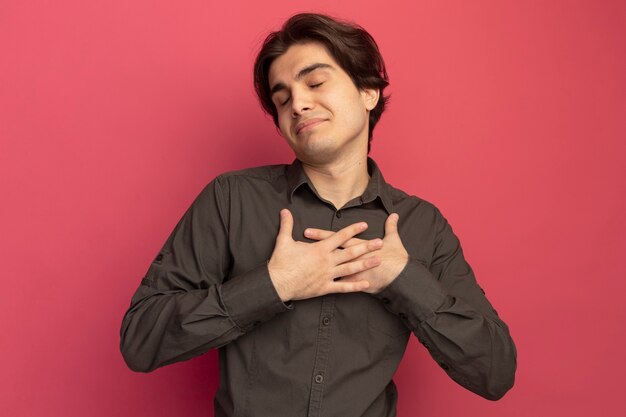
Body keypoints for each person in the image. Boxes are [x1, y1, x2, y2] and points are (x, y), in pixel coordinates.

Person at [120, 12, 517, 417]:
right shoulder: (231, 200)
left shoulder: (423, 227)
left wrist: (404, 279)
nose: (298, 103)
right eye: (282, 98)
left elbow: (495, 372)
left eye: (315, 83)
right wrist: (273, 285)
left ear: (368, 92)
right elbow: (140, 339)